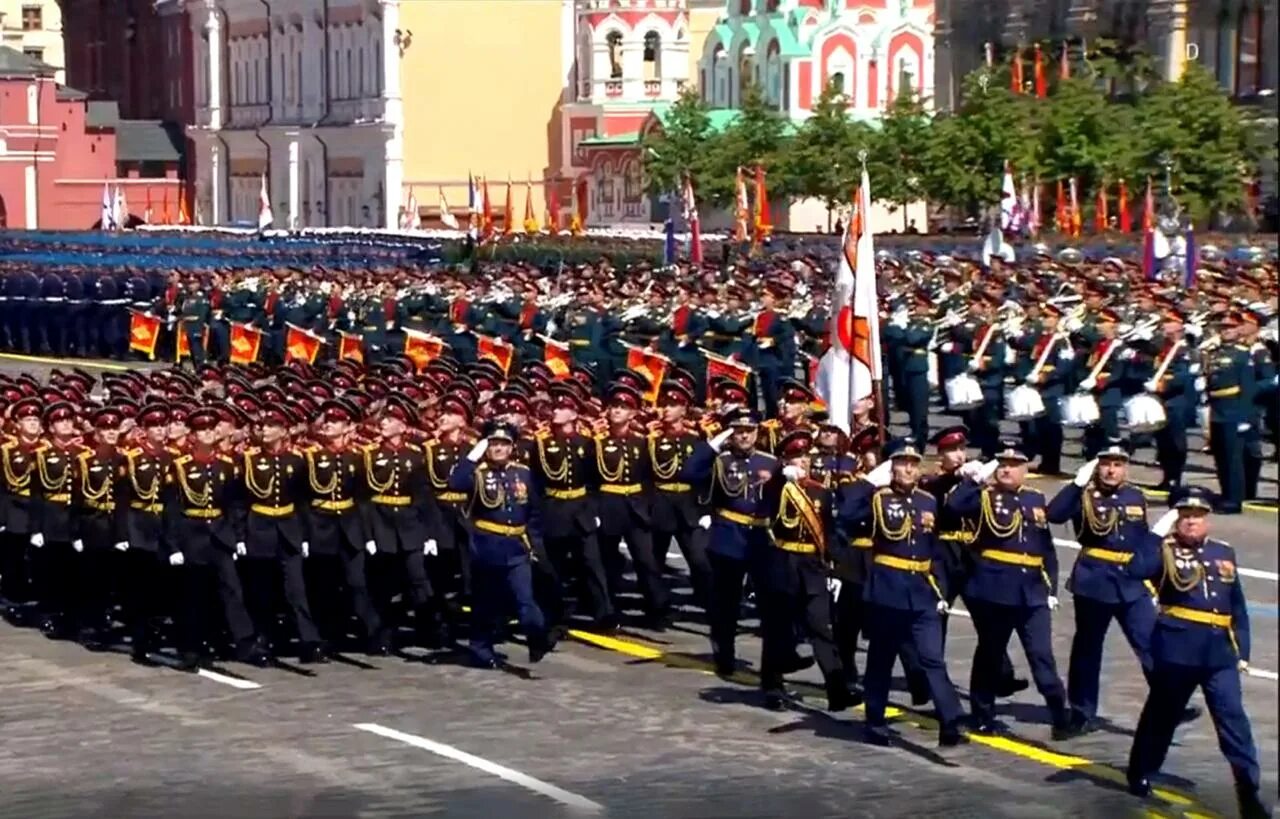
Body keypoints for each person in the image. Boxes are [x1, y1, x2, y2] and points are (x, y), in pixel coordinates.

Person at [1126, 487, 1268, 819]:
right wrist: (1156, 533)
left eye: (1197, 517)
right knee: (1162, 717)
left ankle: (1249, 791)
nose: (1191, 522)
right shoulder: (1162, 551)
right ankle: (1142, 770)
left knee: (1234, 722)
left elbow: (1237, 606)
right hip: (1177, 651)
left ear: (1208, 520)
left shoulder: (1224, 552)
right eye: (1185, 516)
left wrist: (1242, 651)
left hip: (1219, 655)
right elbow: (1134, 570)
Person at [837, 437, 967, 747]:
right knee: (881, 660)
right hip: (887, 590)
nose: (908, 469)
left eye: (912, 464)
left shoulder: (927, 500)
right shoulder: (876, 498)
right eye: (901, 464)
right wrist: (869, 483)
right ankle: (875, 720)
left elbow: (933, 547)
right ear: (891, 468)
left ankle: (950, 719)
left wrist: (939, 588)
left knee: (932, 658)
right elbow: (845, 514)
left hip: (922, 591)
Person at [945, 441, 1071, 737]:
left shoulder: (1035, 498)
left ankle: (1059, 712)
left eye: (1013, 466)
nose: (1006, 470)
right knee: (990, 654)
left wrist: (1051, 588)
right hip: (993, 589)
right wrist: (973, 480)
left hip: (1032, 592)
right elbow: (953, 507)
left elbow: (1046, 548)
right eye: (1002, 464)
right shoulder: (982, 497)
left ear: (1025, 471)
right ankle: (983, 714)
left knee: (1042, 656)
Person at [757, 429, 852, 712]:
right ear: (785, 460)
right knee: (778, 628)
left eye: (805, 456)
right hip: (783, 563)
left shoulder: (820, 491)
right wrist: (779, 479)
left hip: (812, 567)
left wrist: (833, 566)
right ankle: (773, 686)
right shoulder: (775, 487)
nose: (802, 462)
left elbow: (830, 531)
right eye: (796, 457)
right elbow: (766, 509)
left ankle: (837, 690)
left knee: (820, 628)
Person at [449, 420, 555, 667]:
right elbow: (455, 483)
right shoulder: (477, 473)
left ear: (512, 447)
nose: (498, 449)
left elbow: (534, 511)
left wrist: (535, 543)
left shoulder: (523, 473)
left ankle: (537, 636)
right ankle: (480, 649)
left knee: (526, 600)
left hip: (517, 546)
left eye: (503, 444)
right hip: (487, 546)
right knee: (486, 603)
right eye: (493, 444)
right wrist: (472, 456)